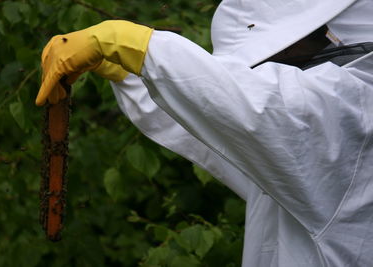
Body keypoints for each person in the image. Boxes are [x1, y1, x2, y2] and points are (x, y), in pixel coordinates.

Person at [36, 0, 373, 265]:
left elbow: (263, 109)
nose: (274, 66)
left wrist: (132, 45)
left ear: (327, 34)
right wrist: (131, 75)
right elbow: (223, 135)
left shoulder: (355, 109)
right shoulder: (307, 151)